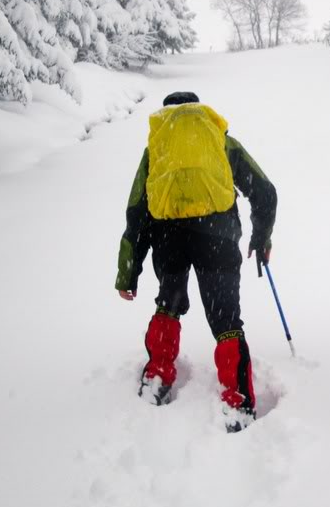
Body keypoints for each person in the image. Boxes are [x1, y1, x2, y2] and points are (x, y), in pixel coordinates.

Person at [115, 91, 277, 433]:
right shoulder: (219, 140)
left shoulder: (156, 148)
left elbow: (137, 213)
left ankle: (157, 377)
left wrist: (128, 271)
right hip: (217, 236)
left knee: (169, 303)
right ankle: (237, 401)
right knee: (226, 318)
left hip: (168, 236)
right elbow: (264, 191)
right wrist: (261, 238)